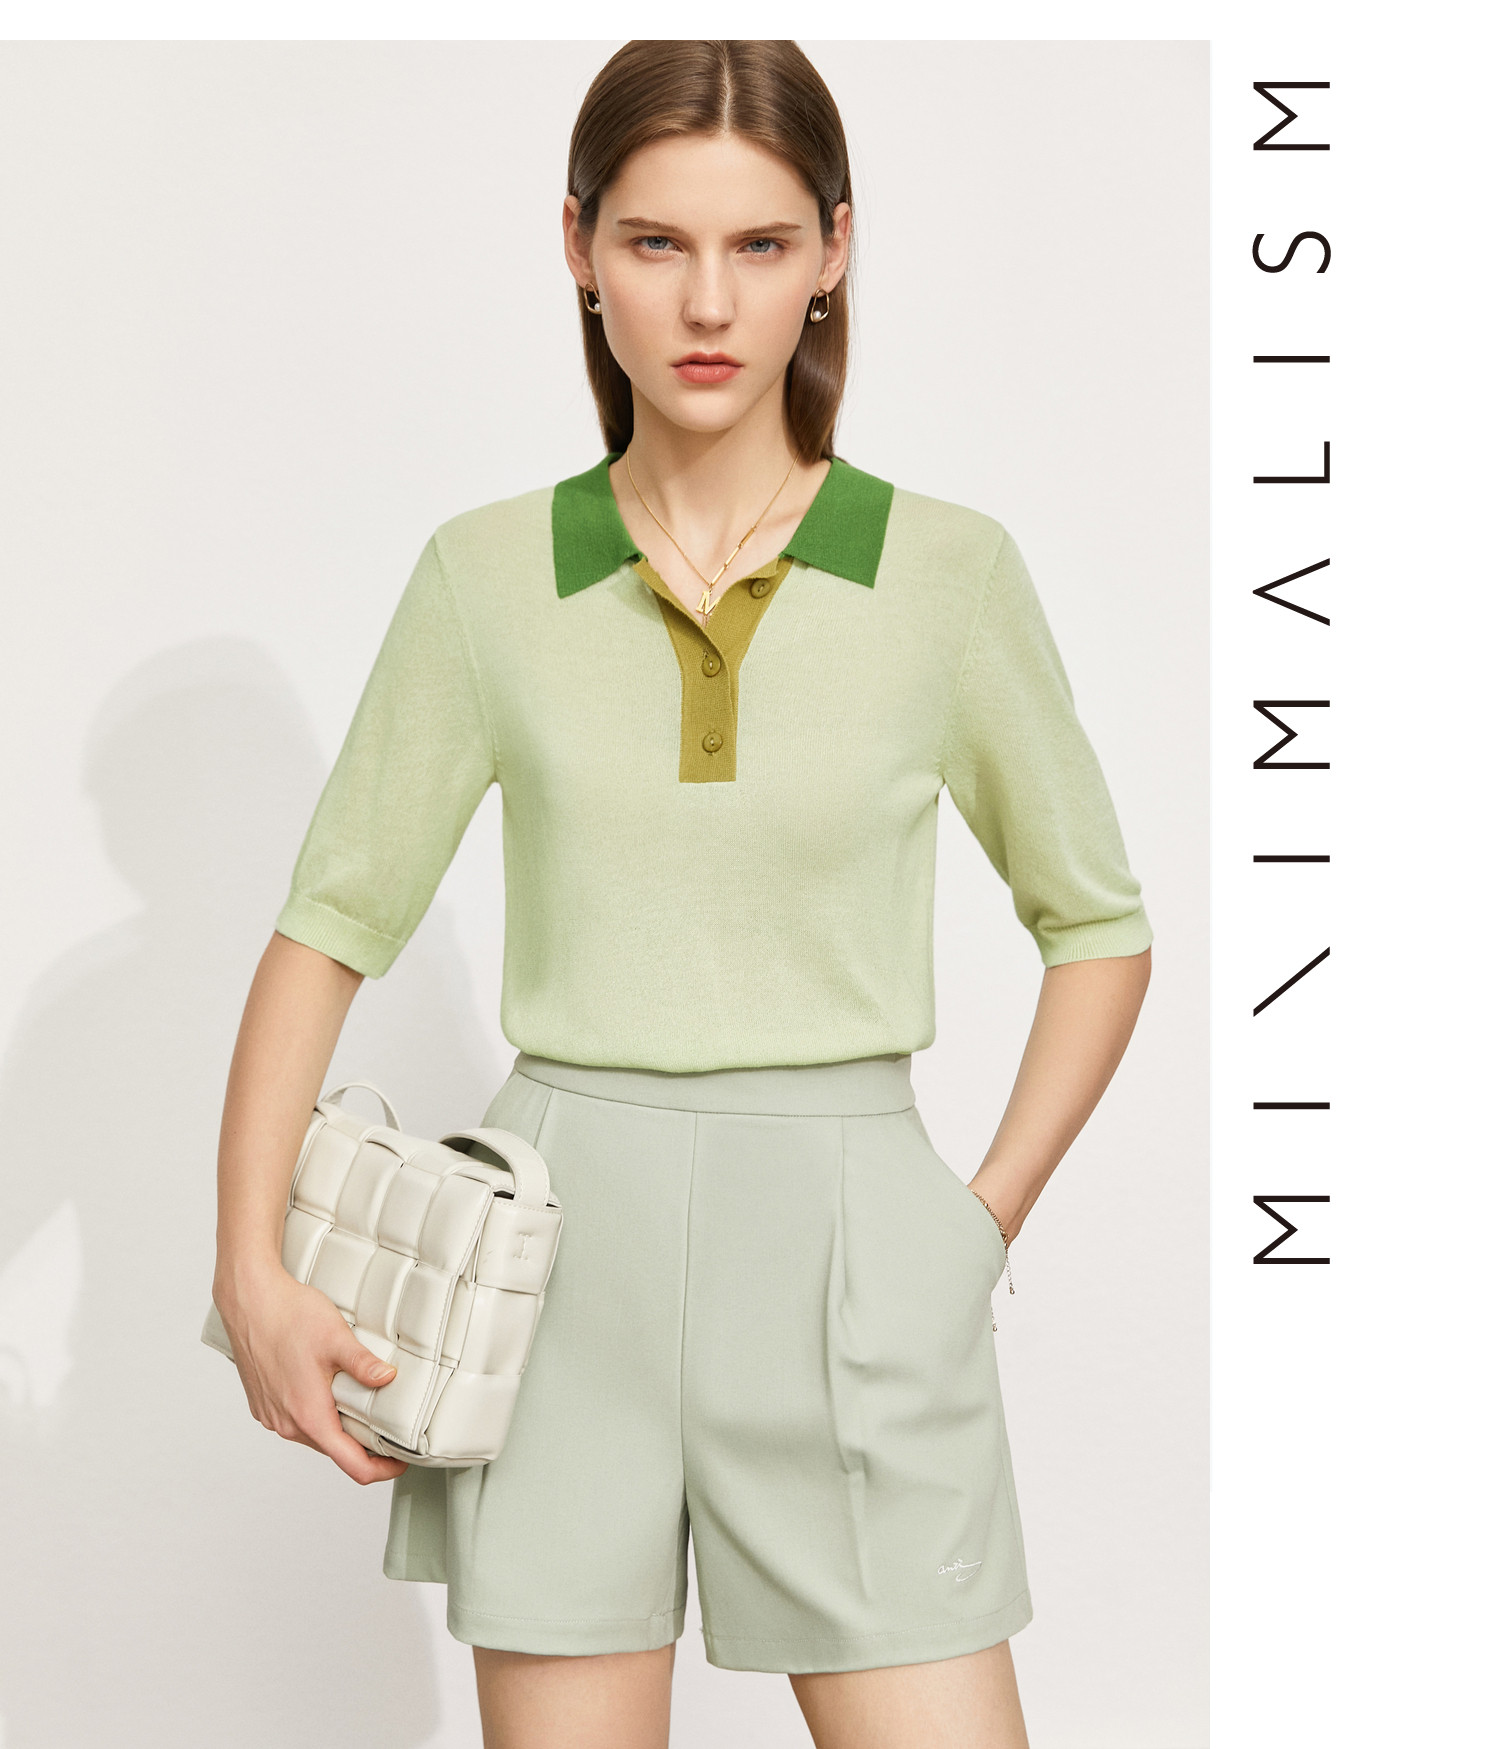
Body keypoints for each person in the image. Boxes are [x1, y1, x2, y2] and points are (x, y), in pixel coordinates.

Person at [210, 38, 1152, 1749]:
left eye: (760, 243)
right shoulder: (488, 575)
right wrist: (249, 1263)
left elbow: (1098, 925)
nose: (709, 301)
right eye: (657, 242)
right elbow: (330, 925)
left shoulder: (947, 574)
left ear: (833, 251)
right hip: (558, 1264)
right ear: (579, 247)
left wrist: (979, 1219)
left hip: (858, 1252)